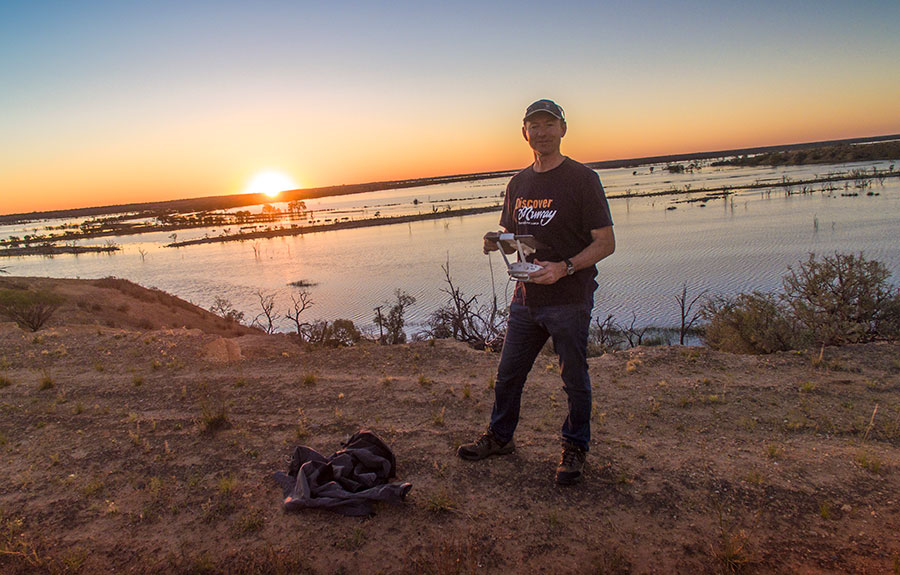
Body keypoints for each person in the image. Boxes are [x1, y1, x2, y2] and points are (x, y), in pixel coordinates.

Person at [457, 99, 615, 485]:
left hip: (569, 297)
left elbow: (606, 242)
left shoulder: (582, 179)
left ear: (563, 129)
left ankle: (575, 447)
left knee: (574, 378)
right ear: (523, 131)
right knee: (508, 374)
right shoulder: (518, 183)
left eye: (550, 124)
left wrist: (565, 267)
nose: (542, 131)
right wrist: (497, 240)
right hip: (526, 299)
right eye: (535, 125)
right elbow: (515, 241)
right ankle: (500, 437)